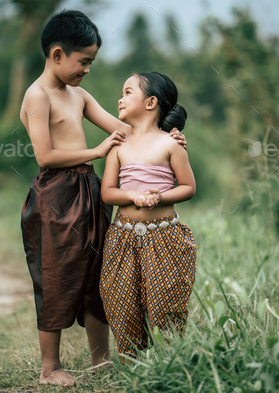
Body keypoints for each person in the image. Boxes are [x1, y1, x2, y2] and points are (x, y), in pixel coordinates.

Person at [19, 11, 187, 386]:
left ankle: (101, 359)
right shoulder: (37, 96)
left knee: (100, 271)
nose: (88, 70)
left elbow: (126, 130)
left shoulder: (78, 95)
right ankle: (50, 367)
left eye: (91, 62)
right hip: (56, 195)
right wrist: (96, 152)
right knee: (57, 274)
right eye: (84, 62)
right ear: (58, 54)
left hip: (91, 191)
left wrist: (166, 136)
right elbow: (44, 156)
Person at [99, 72, 198, 357]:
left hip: (165, 237)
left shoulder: (171, 144)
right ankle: (133, 363)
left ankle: (168, 362)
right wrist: (132, 196)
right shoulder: (119, 145)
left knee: (166, 302)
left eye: (128, 92)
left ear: (151, 102)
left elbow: (188, 187)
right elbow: (108, 192)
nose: (120, 98)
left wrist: (158, 197)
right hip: (122, 237)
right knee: (121, 300)